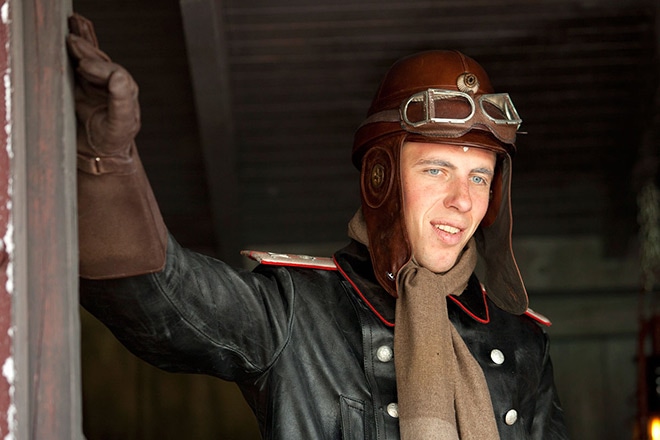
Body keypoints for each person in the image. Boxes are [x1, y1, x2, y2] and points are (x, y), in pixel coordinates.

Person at [67, 13, 569, 440]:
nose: (462, 200)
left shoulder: (522, 341)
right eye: (436, 170)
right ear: (381, 178)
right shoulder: (297, 311)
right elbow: (160, 300)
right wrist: (105, 162)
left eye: (479, 177)